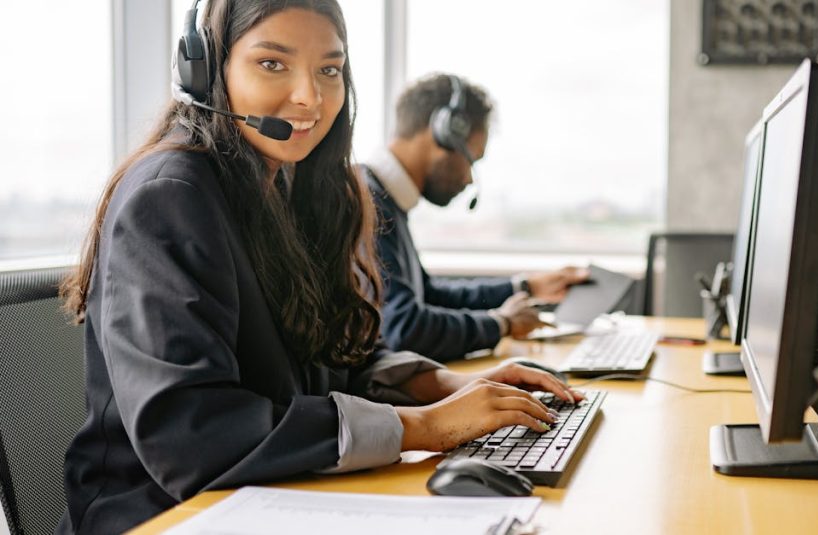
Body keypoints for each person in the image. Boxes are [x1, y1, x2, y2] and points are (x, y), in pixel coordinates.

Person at [57, 2, 579, 532]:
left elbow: (337, 357)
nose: (311, 96)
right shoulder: (170, 195)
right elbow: (190, 435)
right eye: (273, 64)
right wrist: (419, 427)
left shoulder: (291, 187)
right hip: (163, 516)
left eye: (329, 70)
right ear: (207, 69)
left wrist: (441, 387)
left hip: (272, 497)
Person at [363, 74, 589, 362]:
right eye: (472, 159)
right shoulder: (368, 203)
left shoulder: (386, 198)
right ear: (444, 133)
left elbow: (428, 294)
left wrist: (526, 287)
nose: (469, 179)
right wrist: (501, 324)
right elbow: (404, 329)